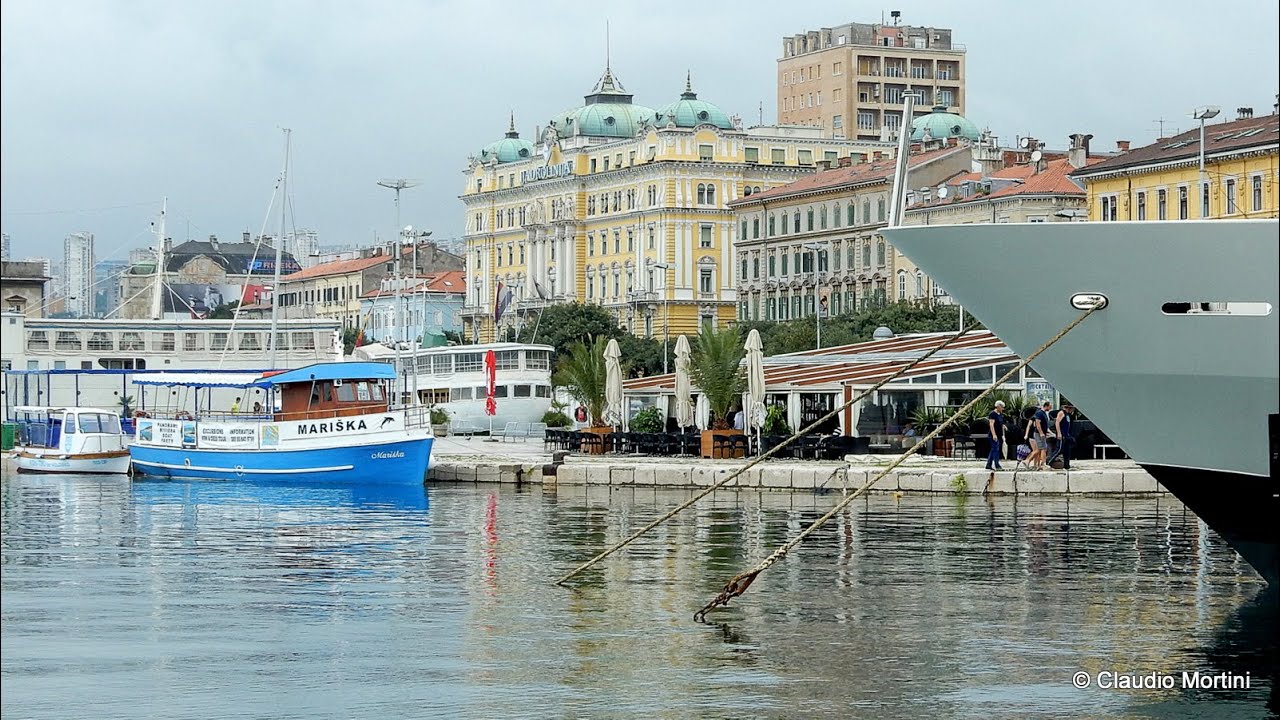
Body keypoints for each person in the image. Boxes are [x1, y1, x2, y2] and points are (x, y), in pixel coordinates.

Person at [1029, 400, 1052, 469]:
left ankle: (1041, 463)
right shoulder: (1039, 413)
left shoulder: (1044, 413)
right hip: (1039, 434)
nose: (1050, 408)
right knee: (1041, 448)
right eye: (1050, 406)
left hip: (1043, 433)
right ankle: (1029, 461)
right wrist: (1041, 433)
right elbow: (1037, 424)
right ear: (1046, 406)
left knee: (1043, 448)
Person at [1052, 402, 1076, 470]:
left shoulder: (1068, 415)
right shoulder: (1062, 413)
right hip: (1062, 435)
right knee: (1058, 450)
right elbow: (1057, 422)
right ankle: (1048, 462)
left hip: (1067, 435)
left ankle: (1067, 465)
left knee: (1067, 451)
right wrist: (1059, 433)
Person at [985, 401, 1006, 471]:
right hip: (994, 435)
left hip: (999, 434)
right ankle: (997, 465)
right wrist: (994, 435)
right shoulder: (992, 414)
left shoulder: (1000, 414)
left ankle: (988, 464)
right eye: (1002, 407)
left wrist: (1003, 433)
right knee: (995, 449)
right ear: (998, 406)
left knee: (993, 449)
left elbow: (1001, 424)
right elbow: (991, 424)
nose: (1002, 409)